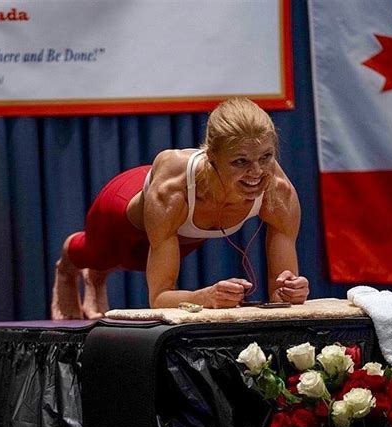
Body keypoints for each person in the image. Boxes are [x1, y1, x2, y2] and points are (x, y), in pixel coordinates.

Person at [51, 97, 309, 319]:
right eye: (240, 161)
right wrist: (206, 297)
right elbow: (159, 298)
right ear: (212, 158)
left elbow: (281, 299)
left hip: (186, 229)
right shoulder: (172, 191)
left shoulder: (278, 190)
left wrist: (291, 291)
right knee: (100, 255)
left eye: (266, 157)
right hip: (123, 208)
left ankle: (97, 278)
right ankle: (67, 267)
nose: (257, 172)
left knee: (140, 261)